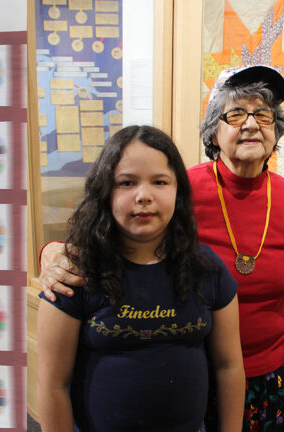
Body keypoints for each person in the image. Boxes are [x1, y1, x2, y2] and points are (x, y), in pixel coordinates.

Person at [39, 65, 284, 431]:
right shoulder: (178, 189)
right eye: (235, 114)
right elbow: (106, 232)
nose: (251, 124)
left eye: (263, 114)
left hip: (269, 373)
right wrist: (52, 251)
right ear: (213, 133)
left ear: (277, 129)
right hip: (189, 370)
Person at [36, 125, 245, 432]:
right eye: (126, 183)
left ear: (178, 190)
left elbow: (229, 367)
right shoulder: (75, 272)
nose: (143, 195)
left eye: (159, 182)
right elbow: (53, 384)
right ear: (105, 191)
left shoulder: (207, 268)